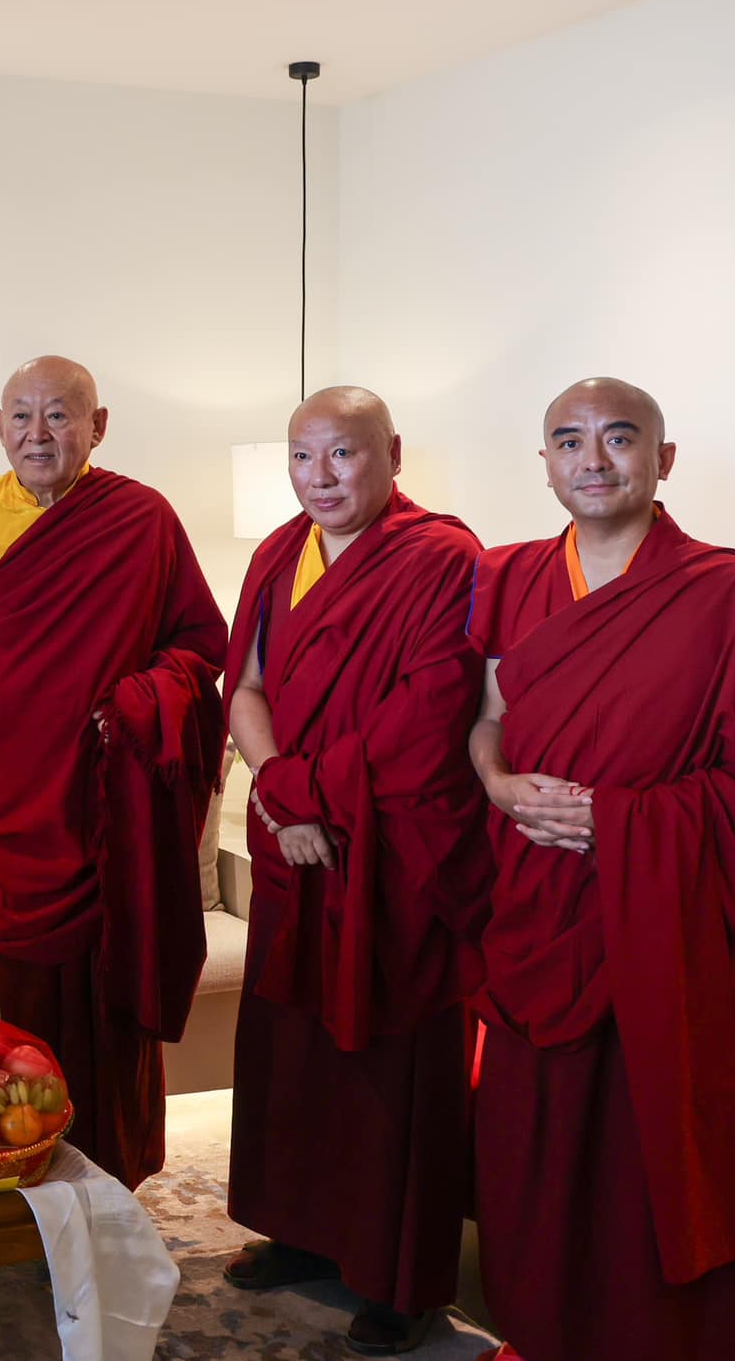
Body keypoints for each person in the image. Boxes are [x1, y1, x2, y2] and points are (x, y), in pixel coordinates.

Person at [466, 378, 735, 1361]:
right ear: (542, 462)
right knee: (535, 1159)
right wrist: (496, 784)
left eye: (618, 439)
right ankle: (543, 1339)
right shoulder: (509, 577)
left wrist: (622, 824)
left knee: (647, 1161)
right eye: (568, 441)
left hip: (664, 931)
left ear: (660, 460)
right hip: (536, 911)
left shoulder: (719, 592)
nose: (592, 459)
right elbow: (487, 719)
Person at [220, 387, 490, 1356]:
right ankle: (298, 1232)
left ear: (392, 454)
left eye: (341, 456)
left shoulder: (443, 558)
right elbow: (240, 685)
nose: (319, 478)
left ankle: (396, 1275)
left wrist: (302, 797)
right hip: (298, 841)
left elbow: (428, 717)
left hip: (391, 846)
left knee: (389, 1055)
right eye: (303, 458)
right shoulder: (272, 555)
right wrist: (281, 795)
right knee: (291, 1043)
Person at [0, 355, 226, 1188]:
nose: (38, 433)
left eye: (59, 416)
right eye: (21, 416)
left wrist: (138, 701)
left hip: (95, 810)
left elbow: (200, 648)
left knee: (94, 994)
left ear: (99, 425)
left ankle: (104, 1179)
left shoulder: (142, 519)